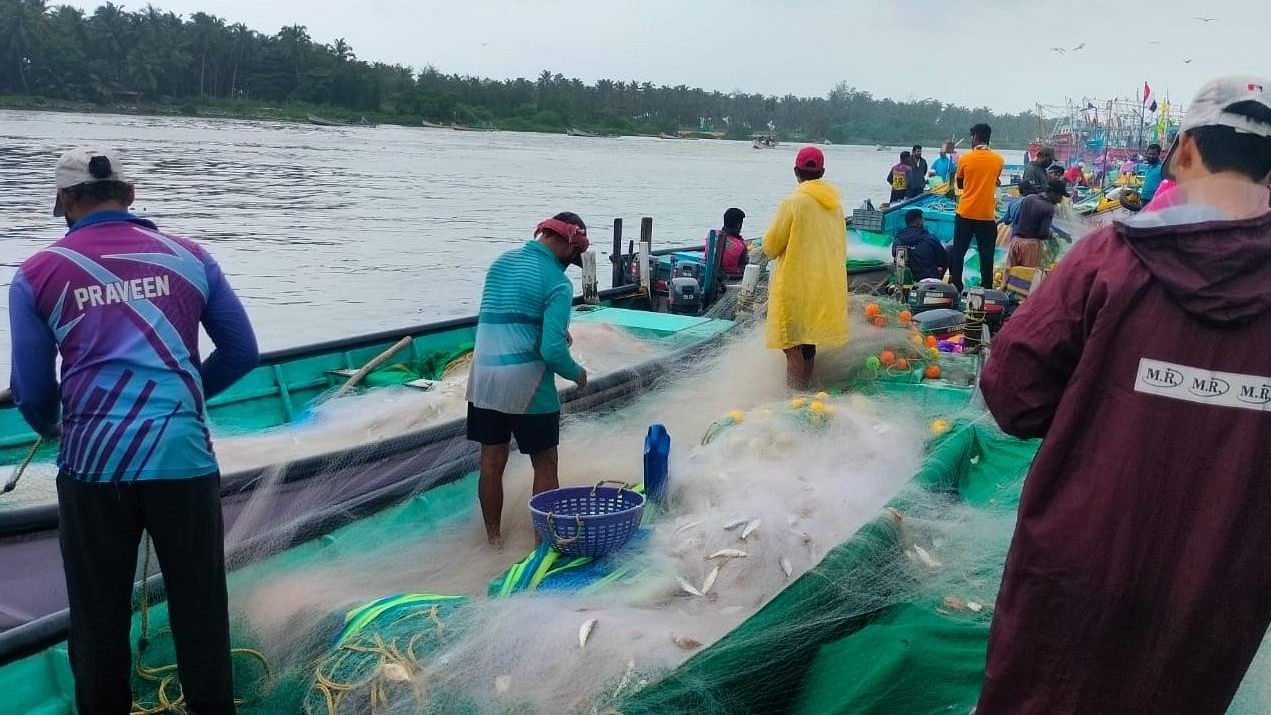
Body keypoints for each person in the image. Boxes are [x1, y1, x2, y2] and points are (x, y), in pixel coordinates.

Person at [977, 76, 1271, 714]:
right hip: (1218, 579)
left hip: (1081, 556)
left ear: (1185, 149)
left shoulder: (1108, 259)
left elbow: (1013, 394)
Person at [9, 148, 259, 714]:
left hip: (93, 466)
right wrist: (183, 393)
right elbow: (242, 352)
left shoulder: (36, 274)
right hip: (183, 459)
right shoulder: (191, 257)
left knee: (97, 623)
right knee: (200, 614)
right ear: (131, 195)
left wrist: (54, 426)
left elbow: (31, 389)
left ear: (68, 201)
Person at [467, 212, 590, 546]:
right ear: (568, 243)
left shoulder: (500, 264)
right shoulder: (556, 281)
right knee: (545, 463)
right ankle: (543, 545)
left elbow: (508, 321)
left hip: (483, 380)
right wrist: (577, 374)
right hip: (527, 385)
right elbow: (551, 350)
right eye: (573, 258)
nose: (569, 266)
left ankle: (493, 541)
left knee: (491, 461)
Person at [763, 147, 848, 389]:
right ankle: (806, 393)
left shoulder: (794, 202)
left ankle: (794, 399)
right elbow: (842, 244)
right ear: (822, 171)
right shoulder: (835, 205)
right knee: (808, 344)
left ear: (795, 171)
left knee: (791, 344)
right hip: (826, 282)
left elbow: (772, 245)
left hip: (797, 282)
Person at [950, 123, 1005, 291]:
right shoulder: (999, 160)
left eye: (971, 137)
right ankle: (986, 287)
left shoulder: (965, 159)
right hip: (986, 215)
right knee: (986, 254)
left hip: (965, 212)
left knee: (958, 251)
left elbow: (960, 183)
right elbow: (995, 180)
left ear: (975, 138)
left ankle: (956, 285)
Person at [1005, 179, 1067, 271]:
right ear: (1054, 193)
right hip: (1031, 246)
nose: (1060, 200)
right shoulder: (1049, 208)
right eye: (1060, 196)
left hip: (1015, 242)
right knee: (1026, 277)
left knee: (1009, 273)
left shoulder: (1029, 198)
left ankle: (1004, 285)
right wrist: (1052, 235)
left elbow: (1016, 221)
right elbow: (1043, 234)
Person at [892, 208, 948, 281]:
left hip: (906, 281)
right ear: (918, 222)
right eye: (922, 220)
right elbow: (943, 260)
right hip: (930, 279)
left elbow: (896, 258)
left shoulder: (898, 240)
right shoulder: (931, 239)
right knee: (950, 249)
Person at [710, 207, 749, 280]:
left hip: (712, 275)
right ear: (738, 225)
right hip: (731, 277)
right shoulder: (740, 247)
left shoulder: (711, 236)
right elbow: (745, 265)